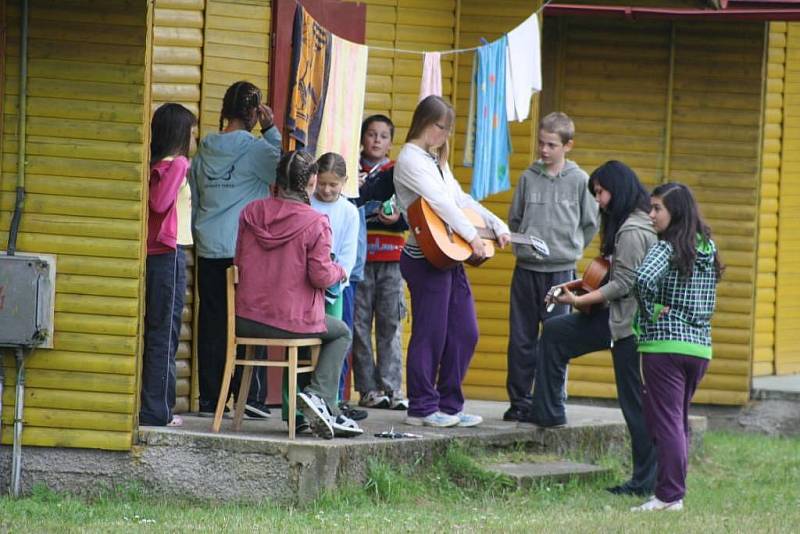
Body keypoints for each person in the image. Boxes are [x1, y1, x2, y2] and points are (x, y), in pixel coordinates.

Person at [522, 161, 658, 498]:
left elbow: (625, 283)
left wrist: (581, 301)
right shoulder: (624, 224)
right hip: (612, 316)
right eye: (595, 193)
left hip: (629, 326)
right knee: (555, 332)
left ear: (619, 189)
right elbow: (612, 275)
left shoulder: (631, 229)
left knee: (634, 406)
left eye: (601, 192)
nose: (598, 199)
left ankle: (646, 482)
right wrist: (581, 286)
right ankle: (548, 413)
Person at [394, 95, 511, 428]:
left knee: (465, 331)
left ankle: (449, 405)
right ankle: (421, 406)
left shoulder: (434, 160)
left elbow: (459, 198)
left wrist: (495, 223)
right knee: (429, 333)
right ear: (427, 125)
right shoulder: (410, 160)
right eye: (442, 128)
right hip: (424, 257)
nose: (445, 135)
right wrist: (473, 238)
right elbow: (440, 204)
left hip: (448, 256)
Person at [234, 150, 363, 439]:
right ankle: (319, 398)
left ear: (277, 180)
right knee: (341, 332)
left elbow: (239, 262)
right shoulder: (316, 222)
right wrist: (340, 272)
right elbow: (320, 276)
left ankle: (316, 406)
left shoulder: (250, 212)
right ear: (312, 182)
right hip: (291, 322)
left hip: (244, 319)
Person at [189, 81, 280, 418]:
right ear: (255, 113)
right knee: (247, 319)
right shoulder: (256, 149)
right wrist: (270, 130)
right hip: (244, 249)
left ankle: (211, 400)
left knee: (212, 321)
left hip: (208, 245)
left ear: (225, 110)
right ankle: (249, 398)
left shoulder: (203, 150)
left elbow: (196, 199)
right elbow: (286, 170)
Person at [631, 183, 722, 512]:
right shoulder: (707, 247)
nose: (651, 215)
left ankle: (669, 497)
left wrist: (650, 310)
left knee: (666, 421)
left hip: (665, 346)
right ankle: (672, 492)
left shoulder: (666, 246)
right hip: (699, 349)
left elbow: (641, 280)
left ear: (676, 212)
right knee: (677, 420)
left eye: (657, 209)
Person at [505, 111, 599, 422]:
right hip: (526, 271)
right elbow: (515, 219)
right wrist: (524, 247)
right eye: (541, 143)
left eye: (551, 145)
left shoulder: (580, 181)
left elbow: (589, 224)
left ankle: (551, 401)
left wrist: (570, 251)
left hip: (561, 274)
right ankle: (519, 401)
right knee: (521, 339)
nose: (543, 150)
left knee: (556, 337)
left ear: (567, 146)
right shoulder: (528, 177)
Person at [140, 103, 196, 427]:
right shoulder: (175, 164)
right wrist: (182, 167)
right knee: (165, 333)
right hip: (168, 253)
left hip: (163, 253)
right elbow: (160, 203)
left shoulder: (158, 164)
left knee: (163, 331)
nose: (194, 138)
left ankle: (158, 407)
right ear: (179, 134)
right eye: (190, 132)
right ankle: (157, 410)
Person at [352, 114, 410, 411]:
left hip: (392, 258)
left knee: (390, 323)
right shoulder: (350, 168)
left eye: (383, 136)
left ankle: (392, 388)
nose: (376, 140)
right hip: (360, 260)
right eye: (371, 134)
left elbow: (414, 209)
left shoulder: (398, 171)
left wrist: (400, 217)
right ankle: (367, 389)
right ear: (362, 138)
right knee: (359, 326)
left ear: (391, 142)